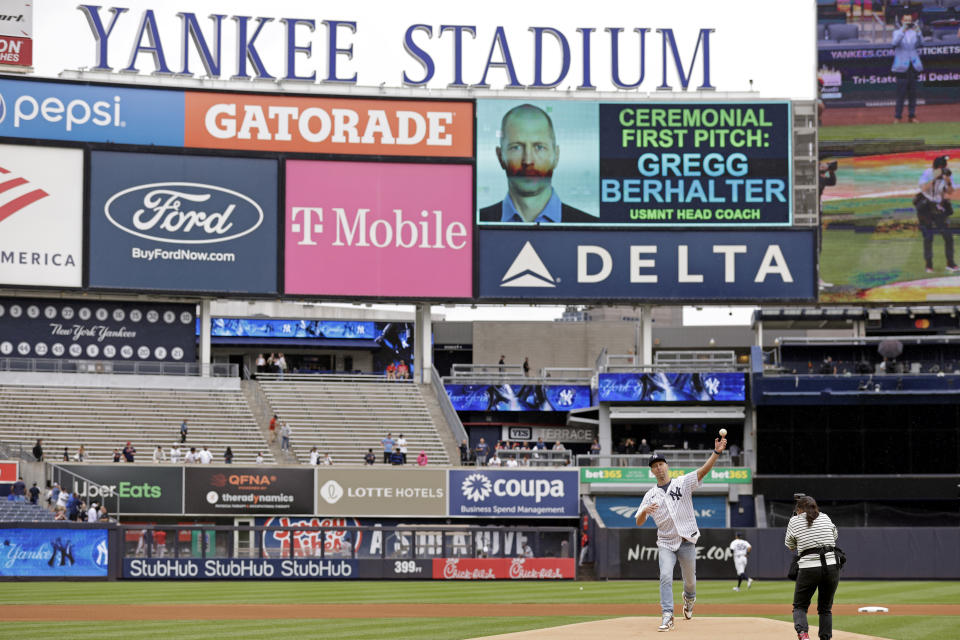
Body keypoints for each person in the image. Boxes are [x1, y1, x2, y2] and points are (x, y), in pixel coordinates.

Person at [634, 434, 728, 632]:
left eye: (661, 464)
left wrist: (717, 452)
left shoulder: (681, 483)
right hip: (666, 543)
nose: (658, 467)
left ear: (667, 466)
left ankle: (689, 599)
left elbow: (702, 472)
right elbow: (639, 521)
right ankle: (667, 614)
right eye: (655, 465)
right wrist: (643, 511)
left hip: (686, 539)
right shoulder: (650, 494)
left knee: (690, 582)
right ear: (651, 471)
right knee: (665, 576)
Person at [479, 103, 595, 223]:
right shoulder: (474, 223)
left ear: (556, 155)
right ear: (500, 156)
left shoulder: (592, 228)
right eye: (516, 147)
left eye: (539, 147)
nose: (528, 161)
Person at [786, 495, 840, 640]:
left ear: (799, 509)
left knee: (800, 606)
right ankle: (825, 638)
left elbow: (790, 545)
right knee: (825, 609)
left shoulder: (794, 520)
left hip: (809, 567)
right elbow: (834, 536)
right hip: (831, 566)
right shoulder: (825, 517)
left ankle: (803, 634)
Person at [915, 155, 956, 273]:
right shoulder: (928, 173)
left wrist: (948, 183)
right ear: (935, 167)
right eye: (941, 167)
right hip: (926, 208)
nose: (943, 170)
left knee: (948, 236)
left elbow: (950, 192)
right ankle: (929, 265)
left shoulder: (946, 175)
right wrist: (934, 179)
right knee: (928, 237)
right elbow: (923, 188)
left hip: (938, 207)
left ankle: (951, 263)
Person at [891, 13, 923, 124]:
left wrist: (919, 33)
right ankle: (897, 116)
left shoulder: (915, 32)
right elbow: (894, 43)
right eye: (906, 20)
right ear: (902, 20)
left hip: (913, 65)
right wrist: (902, 31)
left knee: (913, 93)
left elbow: (921, 44)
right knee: (901, 93)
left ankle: (912, 115)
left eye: (910, 20)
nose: (908, 22)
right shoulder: (897, 32)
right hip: (901, 66)